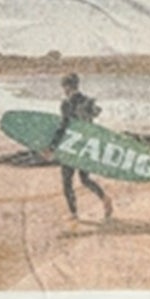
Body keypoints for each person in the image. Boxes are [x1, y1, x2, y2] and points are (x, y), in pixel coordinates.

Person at [46, 72, 114, 221]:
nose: (64, 90)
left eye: (64, 87)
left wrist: (52, 148)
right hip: (86, 146)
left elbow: (63, 127)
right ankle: (105, 198)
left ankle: (73, 213)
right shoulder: (87, 101)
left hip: (71, 147)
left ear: (68, 86)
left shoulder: (66, 104)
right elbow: (96, 114)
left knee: (67, 181)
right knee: (85, 179)